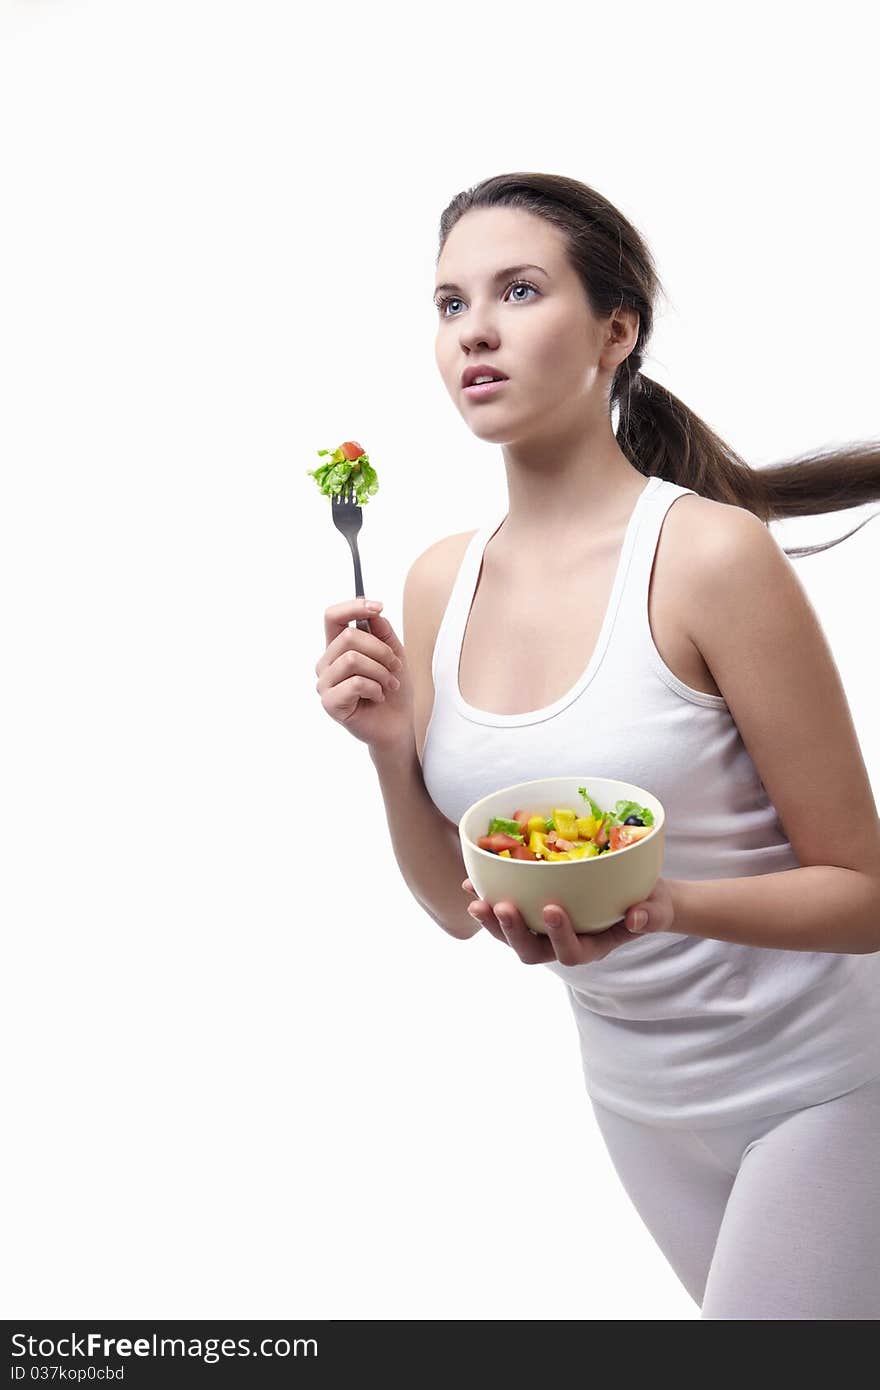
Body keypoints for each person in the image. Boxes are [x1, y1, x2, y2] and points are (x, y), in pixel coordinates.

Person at [315, 171, 880, 1319]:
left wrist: (660, 904)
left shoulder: (711, 557)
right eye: (448, 303)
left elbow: (867, 891)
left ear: (615, 329)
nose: (473, 328)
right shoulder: (437, 580)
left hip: (826, 1085)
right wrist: (386, 749)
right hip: (637, 1097)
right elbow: (448, 901)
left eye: (518, 291)